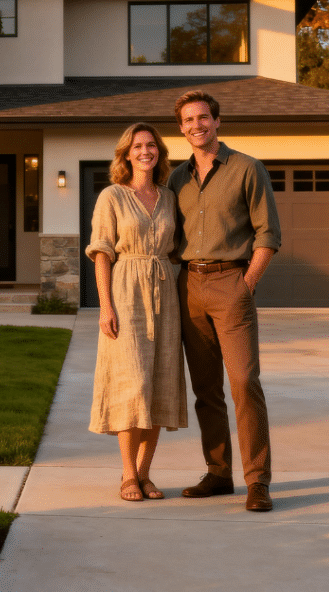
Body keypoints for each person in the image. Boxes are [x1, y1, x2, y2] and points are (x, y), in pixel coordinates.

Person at [167, 90, 280, 512]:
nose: (196, 125)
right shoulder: (176, 179)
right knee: (206, 389)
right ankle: (218, 474)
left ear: (217, 122)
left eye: (203, 118)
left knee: (245, 384)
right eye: (188, 120)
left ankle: (258, 481)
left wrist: (246, 283)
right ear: (181, 128)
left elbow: (268, 234)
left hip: (231, 282)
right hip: (188, 288)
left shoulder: (247, 169)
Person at [86, 121, 187, 502]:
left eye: (151, 145)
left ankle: (145, 474)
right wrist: (105, 305)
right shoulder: (112, 195)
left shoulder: (169, 196)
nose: (145, 151)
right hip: (125, 289)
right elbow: (101, 252)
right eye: (137, 146)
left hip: (164, 288)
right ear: (126, 154)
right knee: (132, 383)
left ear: (159, 152)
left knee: (160, 381)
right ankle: (128, 475)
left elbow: (178, 246)